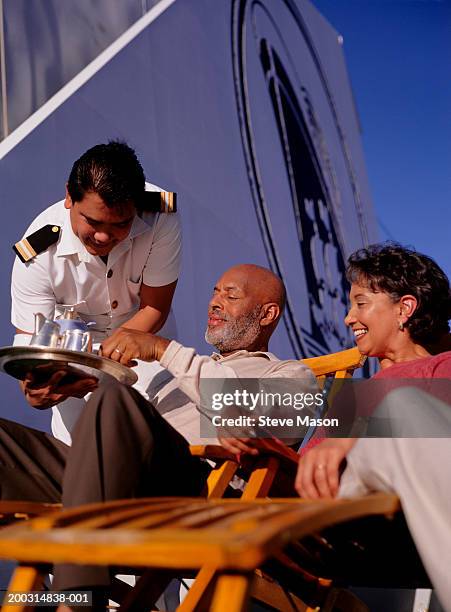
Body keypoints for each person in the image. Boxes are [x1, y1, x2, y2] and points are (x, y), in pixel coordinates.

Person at [0, 264, 317, 606]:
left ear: (267, 313)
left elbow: (245, 421)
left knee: (117, 399)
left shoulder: (292, 375)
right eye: (214, 292)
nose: (215, 302)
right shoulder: (177, 373)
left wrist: (165, 351)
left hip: (193, 494)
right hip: (107, 485)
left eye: (231, 295)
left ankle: (76, 600)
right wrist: (65, 387)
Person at [295, 243, 451, 610]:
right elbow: (305, 472)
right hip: (342, 529)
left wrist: (359, 436)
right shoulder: (351, 397)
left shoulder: (443, 368)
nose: (349, 318)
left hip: (408, 518)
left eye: (361, 303)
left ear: (405, 308)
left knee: (403, 405)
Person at [11, 140, 181, 444]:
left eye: (121, 224)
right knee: (78, 461)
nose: (103, 236)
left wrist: (98, 366)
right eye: (92, 221)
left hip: (144, 349)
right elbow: (32, 341)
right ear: (68, 196)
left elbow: (154, 308)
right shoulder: (36, 252)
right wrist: (37, 383)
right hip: (72, 361)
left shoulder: (161, 217)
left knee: (159, 445)